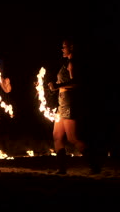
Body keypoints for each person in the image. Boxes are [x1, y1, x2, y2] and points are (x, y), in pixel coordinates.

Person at [47, 38, 101, 174]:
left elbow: (77, 83)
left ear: (71, 47)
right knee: (57, 136)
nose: (62, 49)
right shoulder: (68, 63)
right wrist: (55, 88)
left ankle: (94, 164)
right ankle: (62, 168)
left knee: (72, 138)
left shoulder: (72, 63)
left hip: (69, 104)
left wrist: (57, 86)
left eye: (64, 46)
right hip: (62, 104)